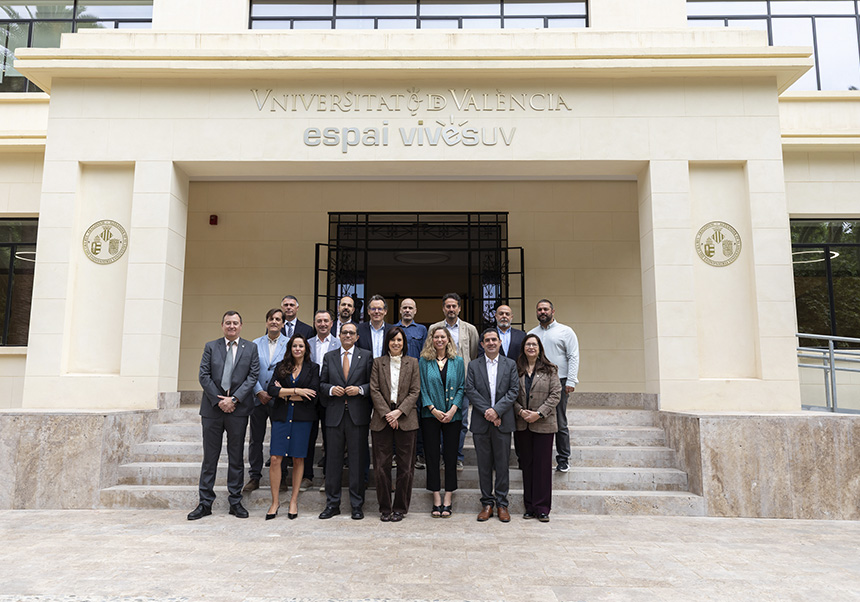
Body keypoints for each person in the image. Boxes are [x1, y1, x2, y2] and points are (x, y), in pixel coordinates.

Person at [188, 311, 260, 520]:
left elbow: (252, 376)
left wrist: (234, 399)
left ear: (241, 325)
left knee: (236, 457)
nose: (231, 326)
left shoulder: (251, 348)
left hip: (238, 410)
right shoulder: (211, 346)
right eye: (228, 323)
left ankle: (235, 501)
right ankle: (204, 503)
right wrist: (219, 400)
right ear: (222, 325)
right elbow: (204, 375)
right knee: (210, 458)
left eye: (235, 323)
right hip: (212, 410)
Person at [319, 323, 373, 520]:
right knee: (332, 462)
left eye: (351, 333)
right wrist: (332, 390)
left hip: (357, 416)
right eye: (344, 332)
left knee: (357, 462)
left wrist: (359, 390)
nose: (348, 335)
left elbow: (372, 384)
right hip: (334, 416)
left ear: (357, 337)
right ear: (339, 336)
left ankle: (357, 505)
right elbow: (322, 384)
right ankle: (332, 504)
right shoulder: (330, 356)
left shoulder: (366, 356)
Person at [465, 329, 519, 523]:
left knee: (503, 465)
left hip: (503, 422)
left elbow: (514, 390)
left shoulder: (510, 364)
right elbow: (470, 390)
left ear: (499, 342)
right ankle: (487, 503)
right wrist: (489, 412)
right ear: (482, 344)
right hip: (482, 423)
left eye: (494, 340)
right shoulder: (473, 365)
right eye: (486, 340)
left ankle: (502, 504)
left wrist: (497, 411)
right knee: (484, 466)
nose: (490, 343)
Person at [265, 334, 319, 520]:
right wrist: (296, 391)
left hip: (302, 419)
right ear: (290, 348)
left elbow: (312, 394)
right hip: (281, 417)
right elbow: (271, 389)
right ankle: (275, 502)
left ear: (306, 349)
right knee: (275, 458)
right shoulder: (282, 366)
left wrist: (284, 393)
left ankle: (294, 500)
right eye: (294, 346)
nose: (297, 349)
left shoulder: (313, 368)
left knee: (298, 459)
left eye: (301, 346)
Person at [369, 326, 421, 522]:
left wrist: (399, 412)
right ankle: (385, 508)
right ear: (387, 343)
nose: (396, 343)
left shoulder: (413, 363)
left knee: (405, 468)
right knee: (381, 467)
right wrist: (388, 414)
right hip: (382, 420)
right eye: (392, 340)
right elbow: (374, 390)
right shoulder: (377, 362)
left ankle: (400, 508)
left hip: (406, 419)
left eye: (399, 340)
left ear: (404, 343)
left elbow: (415, 391)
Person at [513, 334, 562, 522]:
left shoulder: (550, 370)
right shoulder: (516, 369)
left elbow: (555, 395)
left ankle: (542, 508)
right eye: (528, 344)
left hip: (544, 424)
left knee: (542, 467)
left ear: (540, 348)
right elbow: (511, 394)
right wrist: (520, 411)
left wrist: (539, 413)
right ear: (523, 348)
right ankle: (529, 506)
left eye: (534, 344)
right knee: (527, 465)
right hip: (522, 423)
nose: (531, 347)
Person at [418, 325, 465, 518]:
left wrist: (453, 409)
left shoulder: (458, 361)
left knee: (451, 456)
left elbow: (462, 387)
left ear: (448, 340)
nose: (439, 340)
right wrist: (433, 409)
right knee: (432, 456)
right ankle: (436, 497)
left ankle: (448, 497)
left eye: (442, 337)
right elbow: (421, 387)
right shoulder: (424, 361)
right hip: (431, 415)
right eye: (436, 337)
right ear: (431, 339)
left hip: (453, 416)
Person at [528, 299, 580, 473]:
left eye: (545, 309)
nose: (542, 312)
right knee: (538, 418)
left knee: (559, 420)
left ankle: (563, 458)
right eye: (539, 309)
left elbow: (573, 356)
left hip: (560, 380)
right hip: (536, 382)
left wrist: (571, 380)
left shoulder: (565, 331)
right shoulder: (532, 333)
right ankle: (538, 458)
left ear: (553, 311)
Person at [430, 293, 479, 470]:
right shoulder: (434, 328)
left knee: (460, 421)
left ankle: (456, 456)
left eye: (454, 306)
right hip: (438, 382)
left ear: (459, 308)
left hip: (461, 383)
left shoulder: (470, 329)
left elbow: (473, 355)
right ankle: (443, 456)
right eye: (448, 306)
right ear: (443, 308)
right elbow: (428, 352)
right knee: (440, 420)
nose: (451, 309)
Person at [245, 308, 289, 493]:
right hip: (258, 399)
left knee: (280, 438)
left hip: (279, 399)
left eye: (278, 319)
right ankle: (255, 476)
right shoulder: (255, 344)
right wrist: (258, 392)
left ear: (283, 324)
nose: (274, 322)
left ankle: (283, 477)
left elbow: (291, 369)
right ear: (266, 322)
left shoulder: (289, 344)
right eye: (271, 319)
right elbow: (250, 371)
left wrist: (278, 391)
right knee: (256, 439)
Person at [305, 309, 341, 490]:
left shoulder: (339, 343)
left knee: (331, 439)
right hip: (309, 398)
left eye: (326, 321)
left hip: (330, 397)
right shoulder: (307, 344)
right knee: (308, 437)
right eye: (319, 321)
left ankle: (329, 476)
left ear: (332, 323)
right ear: (314, 323)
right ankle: (307, 476)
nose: (322, 324)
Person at [396, 298, 428, 468]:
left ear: (415, 311)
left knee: (418, 417)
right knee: (397, 414)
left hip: (417, 380)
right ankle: (396, 454)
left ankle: (419, 454)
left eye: (410, 308)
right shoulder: (393, 329)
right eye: (405, 308)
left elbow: (426, 354)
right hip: (397, 380)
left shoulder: (422, 330)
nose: (407, 310)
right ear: (400, 310)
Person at [357, 294, 393, 358]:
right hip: (365, 367)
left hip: (386, 367)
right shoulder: (359, 329)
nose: (376, 312)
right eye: (373, 309)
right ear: (368, 311)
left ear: (385, 311)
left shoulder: (392, 330)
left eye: (380, 309)